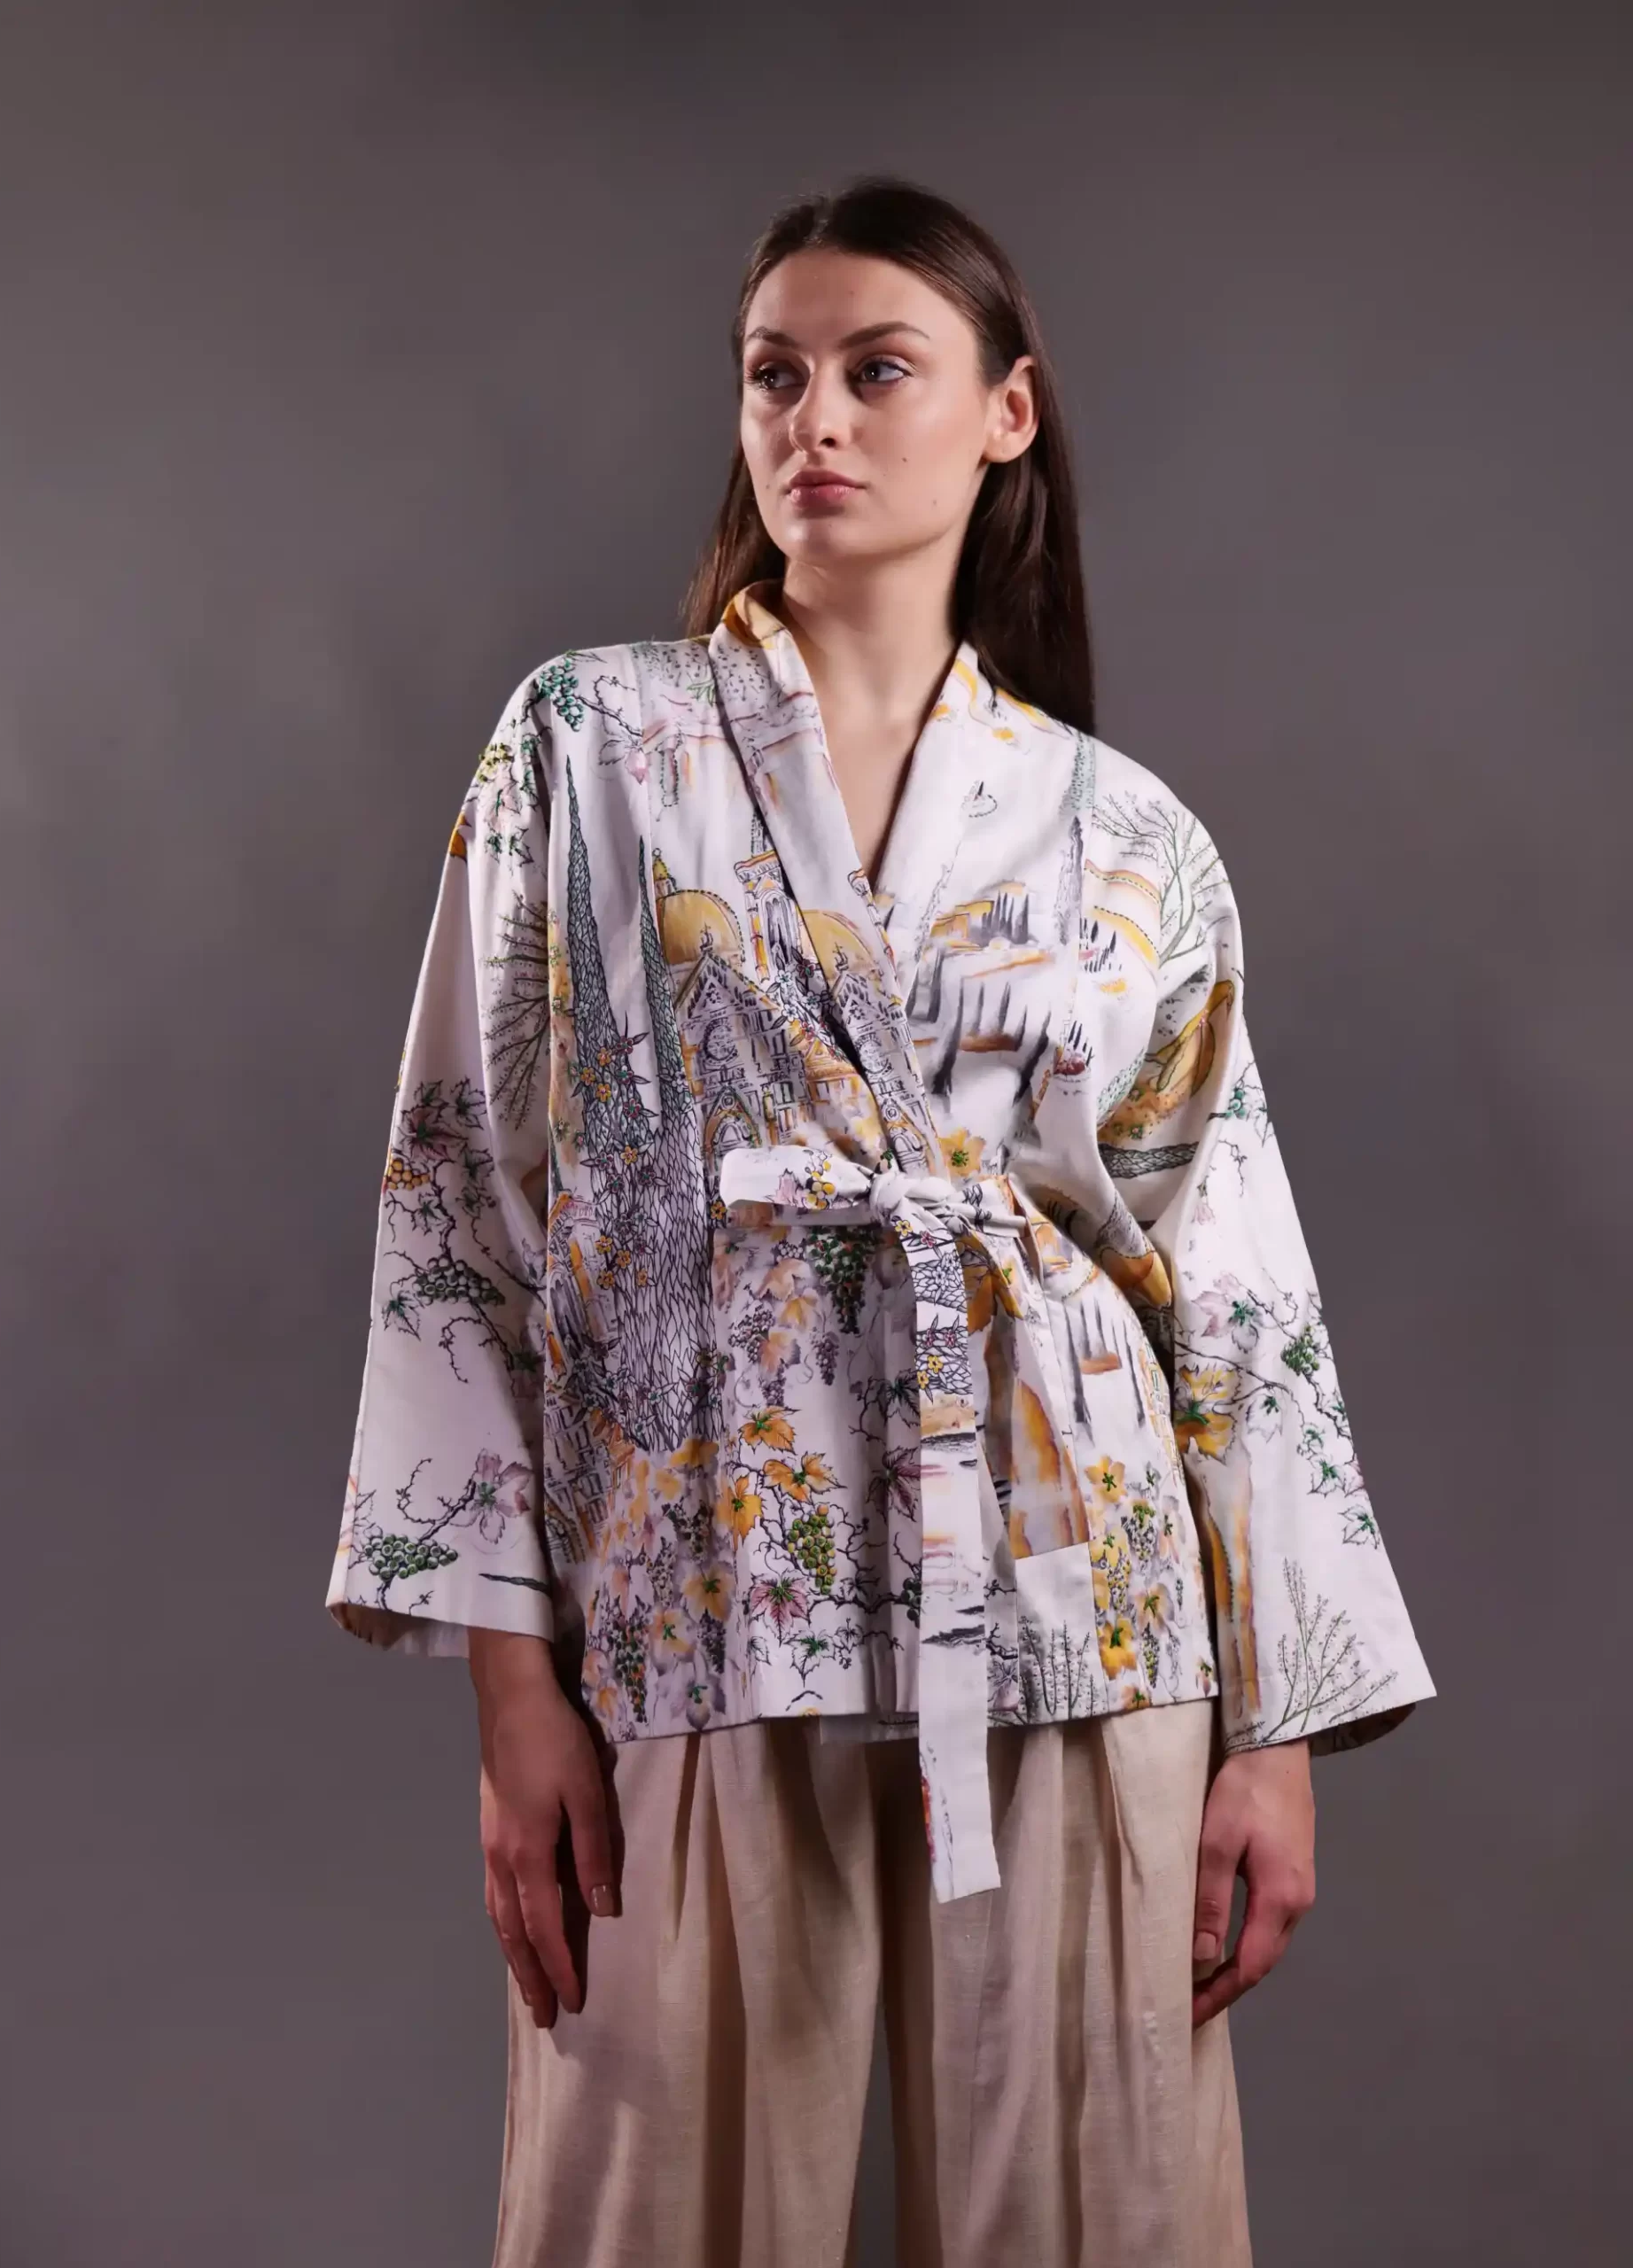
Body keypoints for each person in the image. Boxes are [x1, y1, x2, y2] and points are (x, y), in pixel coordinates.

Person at [325, 174, 1435, 2267]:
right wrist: (510, 1686)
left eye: (875, 369)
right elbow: (461, 1197)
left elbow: (1229, 1286)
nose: (812, 418)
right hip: (700, 1576)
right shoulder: (587, 746)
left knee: (1100, 2217)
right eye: (774, 374)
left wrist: (1273, 1731)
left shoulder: (1126, 836)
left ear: (1005, 413)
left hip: (1082, 1597)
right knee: (647, 2209)